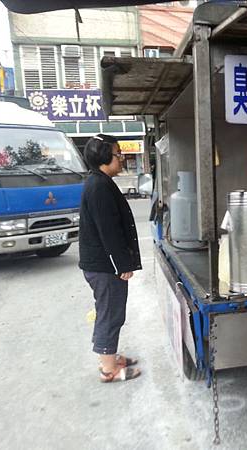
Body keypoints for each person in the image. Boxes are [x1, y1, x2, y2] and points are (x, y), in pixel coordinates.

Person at [79, 134, 142, 383]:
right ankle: (109, 369)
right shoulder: (99, 186)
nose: (121, 158)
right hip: (105, 267)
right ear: (104, 157)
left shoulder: (101, 182)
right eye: (117, 154)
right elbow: (109, 231)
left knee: (108, 310)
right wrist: (122, 265)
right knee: (110, 313)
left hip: (103, 265)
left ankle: (109, 356)